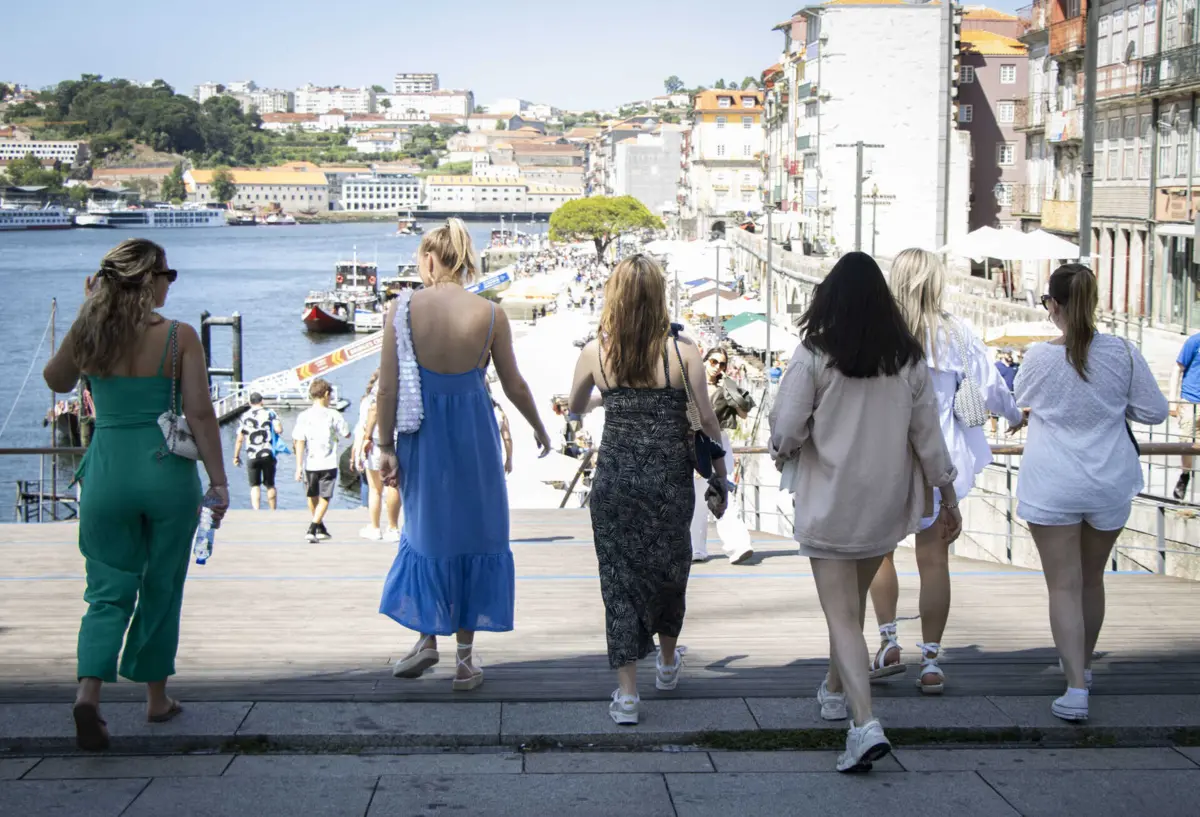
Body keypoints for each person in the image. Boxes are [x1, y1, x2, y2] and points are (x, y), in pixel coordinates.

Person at [769, 252, 958, 773]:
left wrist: (784, 449)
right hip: (884, 507)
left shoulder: (813, 355)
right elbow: (929, 439)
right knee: (849, 612)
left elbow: (786, 428)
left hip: (830, 503)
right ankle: (834, 690)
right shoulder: (909, 359)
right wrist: (948, 494)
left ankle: (864, 724)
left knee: (843, 619)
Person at [42, 238, 229, 751]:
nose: (171, 282)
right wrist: (218, 481)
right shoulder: (178, 337)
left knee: (105, 588)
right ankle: (155, 700)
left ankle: (88, 694)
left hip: (106, 472)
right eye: (167, 274)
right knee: (161, 585)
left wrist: (86, 314)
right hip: (164, 471)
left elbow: (56, 381)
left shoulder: (91, 332)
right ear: (150, 279)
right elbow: (200, 414)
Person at [377, 218, 551, 690]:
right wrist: (538, 425)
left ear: (430, 259)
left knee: (426, 528)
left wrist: (384, 446)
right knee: (476, 531)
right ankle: (466, 659)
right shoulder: (490, 314)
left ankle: (426, 638)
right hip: (474, 430)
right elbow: (513, 383)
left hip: (423, 432)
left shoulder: (401, 308)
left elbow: (388, 387)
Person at [568, 254, 728, 726]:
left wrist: (605, 396)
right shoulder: (684, 354)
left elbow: (577, 405)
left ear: (613, 299)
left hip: (616, 482)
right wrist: (720, 473)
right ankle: (667, 659)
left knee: (618, 583)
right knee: (669, 572)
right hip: (668, 482)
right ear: (659, 297)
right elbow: (708, 417)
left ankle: (628, 695)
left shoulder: (596, 354)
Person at [867, 248, 1024, 694]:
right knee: (934, 561)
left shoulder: (879, 332)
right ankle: (932, 661)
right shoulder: (957, 333)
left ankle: (888, 642)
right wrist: (1014, 414)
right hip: (944, 460)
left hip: (888, 457)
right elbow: (991, 389)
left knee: (880, 553)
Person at [1014, 264, 1167, 722]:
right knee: (1091, 579)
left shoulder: (1040, 357)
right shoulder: (1122, 352)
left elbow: (1021, 398)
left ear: (1054, 306)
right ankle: (1084, 666)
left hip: (1053, 481)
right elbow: (1154, 412)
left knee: (1062, 585)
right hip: (1109, 479)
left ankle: (1075, 686)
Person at [690, 347, 755, 564]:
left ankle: (738, 545)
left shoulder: (725, 387)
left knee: (725, 492)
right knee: (698, 499)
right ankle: (696, 548)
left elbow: (744, 413)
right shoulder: (692, 385)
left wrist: (730, 387)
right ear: (705, 361)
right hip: (697, 440)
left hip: (720, 441)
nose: (717, 367)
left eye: (722, 364)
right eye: (714, 362)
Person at [293, 378, 351, 543]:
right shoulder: (333, 414)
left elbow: (299, 441)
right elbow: (346, 433)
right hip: (328, 462)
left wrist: (298, 466)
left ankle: (320, 527)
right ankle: (313, 527)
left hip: (310, 463)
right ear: (326, 394)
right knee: (325, 496)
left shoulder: (304, 416)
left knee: (312, 494)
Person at [352, 370, 401, 541]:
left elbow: (374, 409)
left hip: (378, 439)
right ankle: (393, 527)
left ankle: (374, 527)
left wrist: (366, 437)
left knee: (375, 488)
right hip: (399, 437)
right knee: (393, 485)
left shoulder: (379, 387)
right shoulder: (405, 381)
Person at [232, 392, 282, 511]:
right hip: (268, 453)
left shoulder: (244, 416)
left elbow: (240, 439)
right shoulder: (270, 413)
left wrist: (236, 456)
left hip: (252, 454)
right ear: (262, 401)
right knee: (270, 485)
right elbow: (279, 429)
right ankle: (273, 510)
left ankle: (256, 511)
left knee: (255, 486)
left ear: (250, 403)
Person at [1170, 330, 1200, 500]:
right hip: (1191, 401)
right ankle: (1185, 475)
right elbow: (1177, 368)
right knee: (1186, 440)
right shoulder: (1195, 341)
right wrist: (1173, 401)